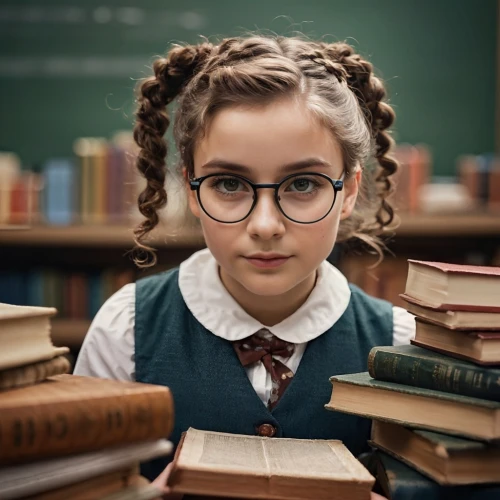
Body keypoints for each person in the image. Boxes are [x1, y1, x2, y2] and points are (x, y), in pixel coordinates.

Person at [74, 35, 415, 499]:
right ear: (192, 190)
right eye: (230, 183)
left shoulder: (399, 345)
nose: (266, 225)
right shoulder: (126, 328)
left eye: (303, 184)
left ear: (349, 190)